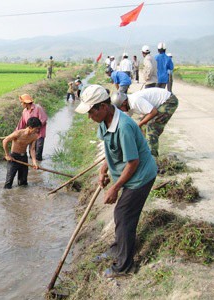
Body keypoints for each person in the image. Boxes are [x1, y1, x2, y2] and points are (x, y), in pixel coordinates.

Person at [75, 84, 157, 278]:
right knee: (123, 216)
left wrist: (115, 187)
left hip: (140, 176)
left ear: (103, 107)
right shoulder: (104, 122)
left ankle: (125, 266)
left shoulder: (124, 127)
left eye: (91, 112)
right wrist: (103, 170)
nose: (89, 117)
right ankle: (117, 248)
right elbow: (110, 150)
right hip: (129, 173)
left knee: (123, 215)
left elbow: (133, 162)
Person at [111, 88, 179, 158]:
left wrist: (139, 124)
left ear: (124, 103)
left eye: (120, 108)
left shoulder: (135, 101)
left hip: (169, 101)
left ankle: (153, 157)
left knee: (152, 126)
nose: (121, 110)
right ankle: (144, 152)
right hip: (158, 105)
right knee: (143, 128)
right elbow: (125, 121)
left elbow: (153, 112)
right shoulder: (128, 105)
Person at [3, 117, 41, 189]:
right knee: (8, 183)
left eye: (38, 129)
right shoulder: (18, 133)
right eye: (36, 129)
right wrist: (7, 155)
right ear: (30, 127)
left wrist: (34, 162)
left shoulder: (35, 136)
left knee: (23, 183)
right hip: (13, 158)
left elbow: (32, 149)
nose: (37, 130)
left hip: (23, 158)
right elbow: (5, 141)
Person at [16, 94, 48, 161]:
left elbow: (43, 119)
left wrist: (35, 128)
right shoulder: (24, 111)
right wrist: (16, 133)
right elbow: (22, 123)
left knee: (38, 151)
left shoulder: (38, 108)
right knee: (31, 151)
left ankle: (38, 165)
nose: (21, 104)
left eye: (22, 102)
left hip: (39, 134)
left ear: (26, 103)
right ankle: (33, 166)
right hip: (30, 135)